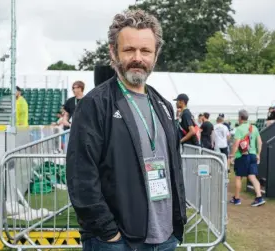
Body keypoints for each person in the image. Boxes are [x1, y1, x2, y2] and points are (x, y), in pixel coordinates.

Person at [67, 9, 186, 251]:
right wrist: (109, 233)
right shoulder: (95, 104)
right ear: (113, 51)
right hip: (118, 242)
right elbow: (81, 177)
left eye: (146, 51)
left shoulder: (163, 105)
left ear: (156, 54)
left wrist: (176, 223)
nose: (138, 58)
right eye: (129, 50)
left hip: (165, 239)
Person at [229, 109, 265, 207]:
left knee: (238, 177)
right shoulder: (254, 128)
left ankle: (236, 199)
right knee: (252, 177)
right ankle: (259, 197)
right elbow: (260, 143)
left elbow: (236, 144)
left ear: (240, 118)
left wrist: (232, 155)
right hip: (253, 155)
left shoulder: (239, 129)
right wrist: (258, 154)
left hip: (242, 156)